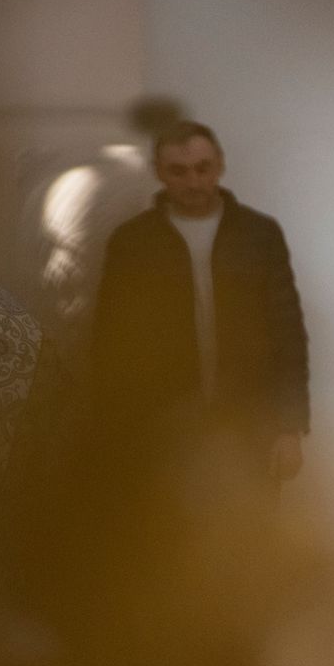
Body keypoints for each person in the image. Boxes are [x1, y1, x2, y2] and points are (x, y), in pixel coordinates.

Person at [91, 120, 308, 482]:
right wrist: (115, 437)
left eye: (202, 168)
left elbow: (287, 334)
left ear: (220, 165)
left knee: (250, 519)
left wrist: (290, 429)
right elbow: (110, 343)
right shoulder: (133, 243)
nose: (193, 182)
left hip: (249, 426)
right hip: (163, 434)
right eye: (178, 171)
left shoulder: (259, 235)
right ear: (159, 172)